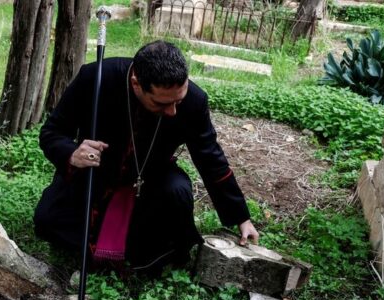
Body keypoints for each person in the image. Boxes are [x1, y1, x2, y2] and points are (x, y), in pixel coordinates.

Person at [34, 40, 259, 273]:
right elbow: (52, 132)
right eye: (162, 103)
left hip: (152, 178)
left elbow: (210, 158)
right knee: (48, 221)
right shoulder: (96, 78)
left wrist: (241, 217)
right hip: (97, 174)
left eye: (178, 101)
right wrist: (72, 153)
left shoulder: (194, 100)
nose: (172, 112)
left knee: (177, 193)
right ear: (136, 84)